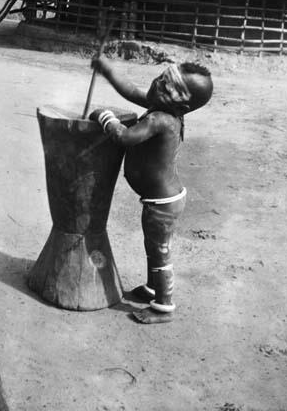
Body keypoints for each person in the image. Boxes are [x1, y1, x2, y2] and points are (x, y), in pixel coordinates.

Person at [90, 55, 213, 324]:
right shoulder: (163, 107)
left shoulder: (161, 119)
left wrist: (106, 117)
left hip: (162, 203)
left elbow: (124, 137)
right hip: (161, 200)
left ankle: (164, 306)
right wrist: (109, 70)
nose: (157, 84)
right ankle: (152, 288)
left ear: (181, 103)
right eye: (160, 78)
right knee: (152, 246)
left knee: (159, 251)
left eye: (166, 86)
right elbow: (132, 91)